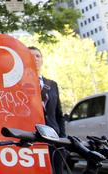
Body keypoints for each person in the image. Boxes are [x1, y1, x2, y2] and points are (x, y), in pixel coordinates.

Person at [29, 46, 65, 174]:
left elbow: (58, 113)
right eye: (31, 56)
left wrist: (63, 137)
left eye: (37, 56)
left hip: (55, 138)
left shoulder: (52, 84)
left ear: (42, 60)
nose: (35, 58)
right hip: (33, 138)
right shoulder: (21, 84)